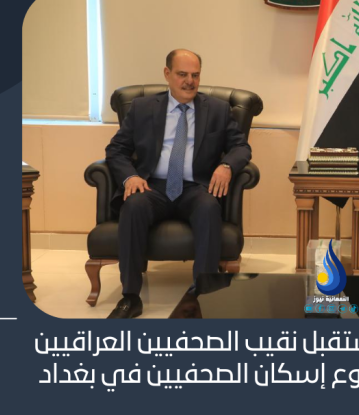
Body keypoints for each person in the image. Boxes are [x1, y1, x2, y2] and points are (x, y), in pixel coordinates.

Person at [104, 49, 251, 319]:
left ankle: (201, 295)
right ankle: (130, 297)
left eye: (195, 75)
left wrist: (227, 166)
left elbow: (241, 147)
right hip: (152, 186)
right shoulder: (143, 108)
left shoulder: (217, 110)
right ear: (167, 74)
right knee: (133, 206)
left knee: (209, 207)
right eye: (182, 74)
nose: (189, 81)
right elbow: (116, 149)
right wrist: (130, 176)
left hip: (196, 187)